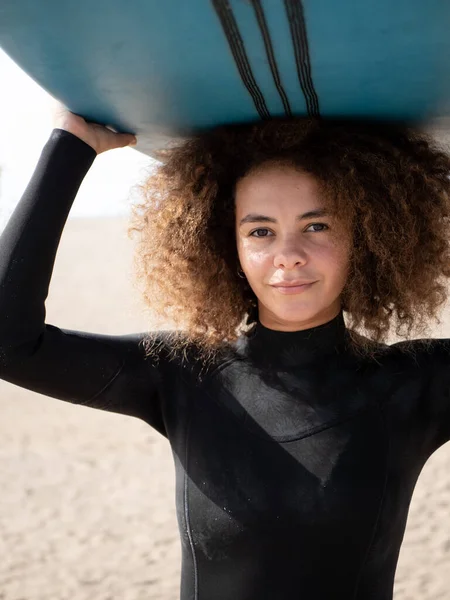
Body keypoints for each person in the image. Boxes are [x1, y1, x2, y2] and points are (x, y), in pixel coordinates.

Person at [1, 104, 450, 600]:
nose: (288, 254)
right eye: (260, 231)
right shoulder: (182, 373)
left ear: (364, 236)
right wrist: (70, 147)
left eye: (317, 225)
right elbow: (10, 343)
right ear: (225, 246)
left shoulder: (417, 383)